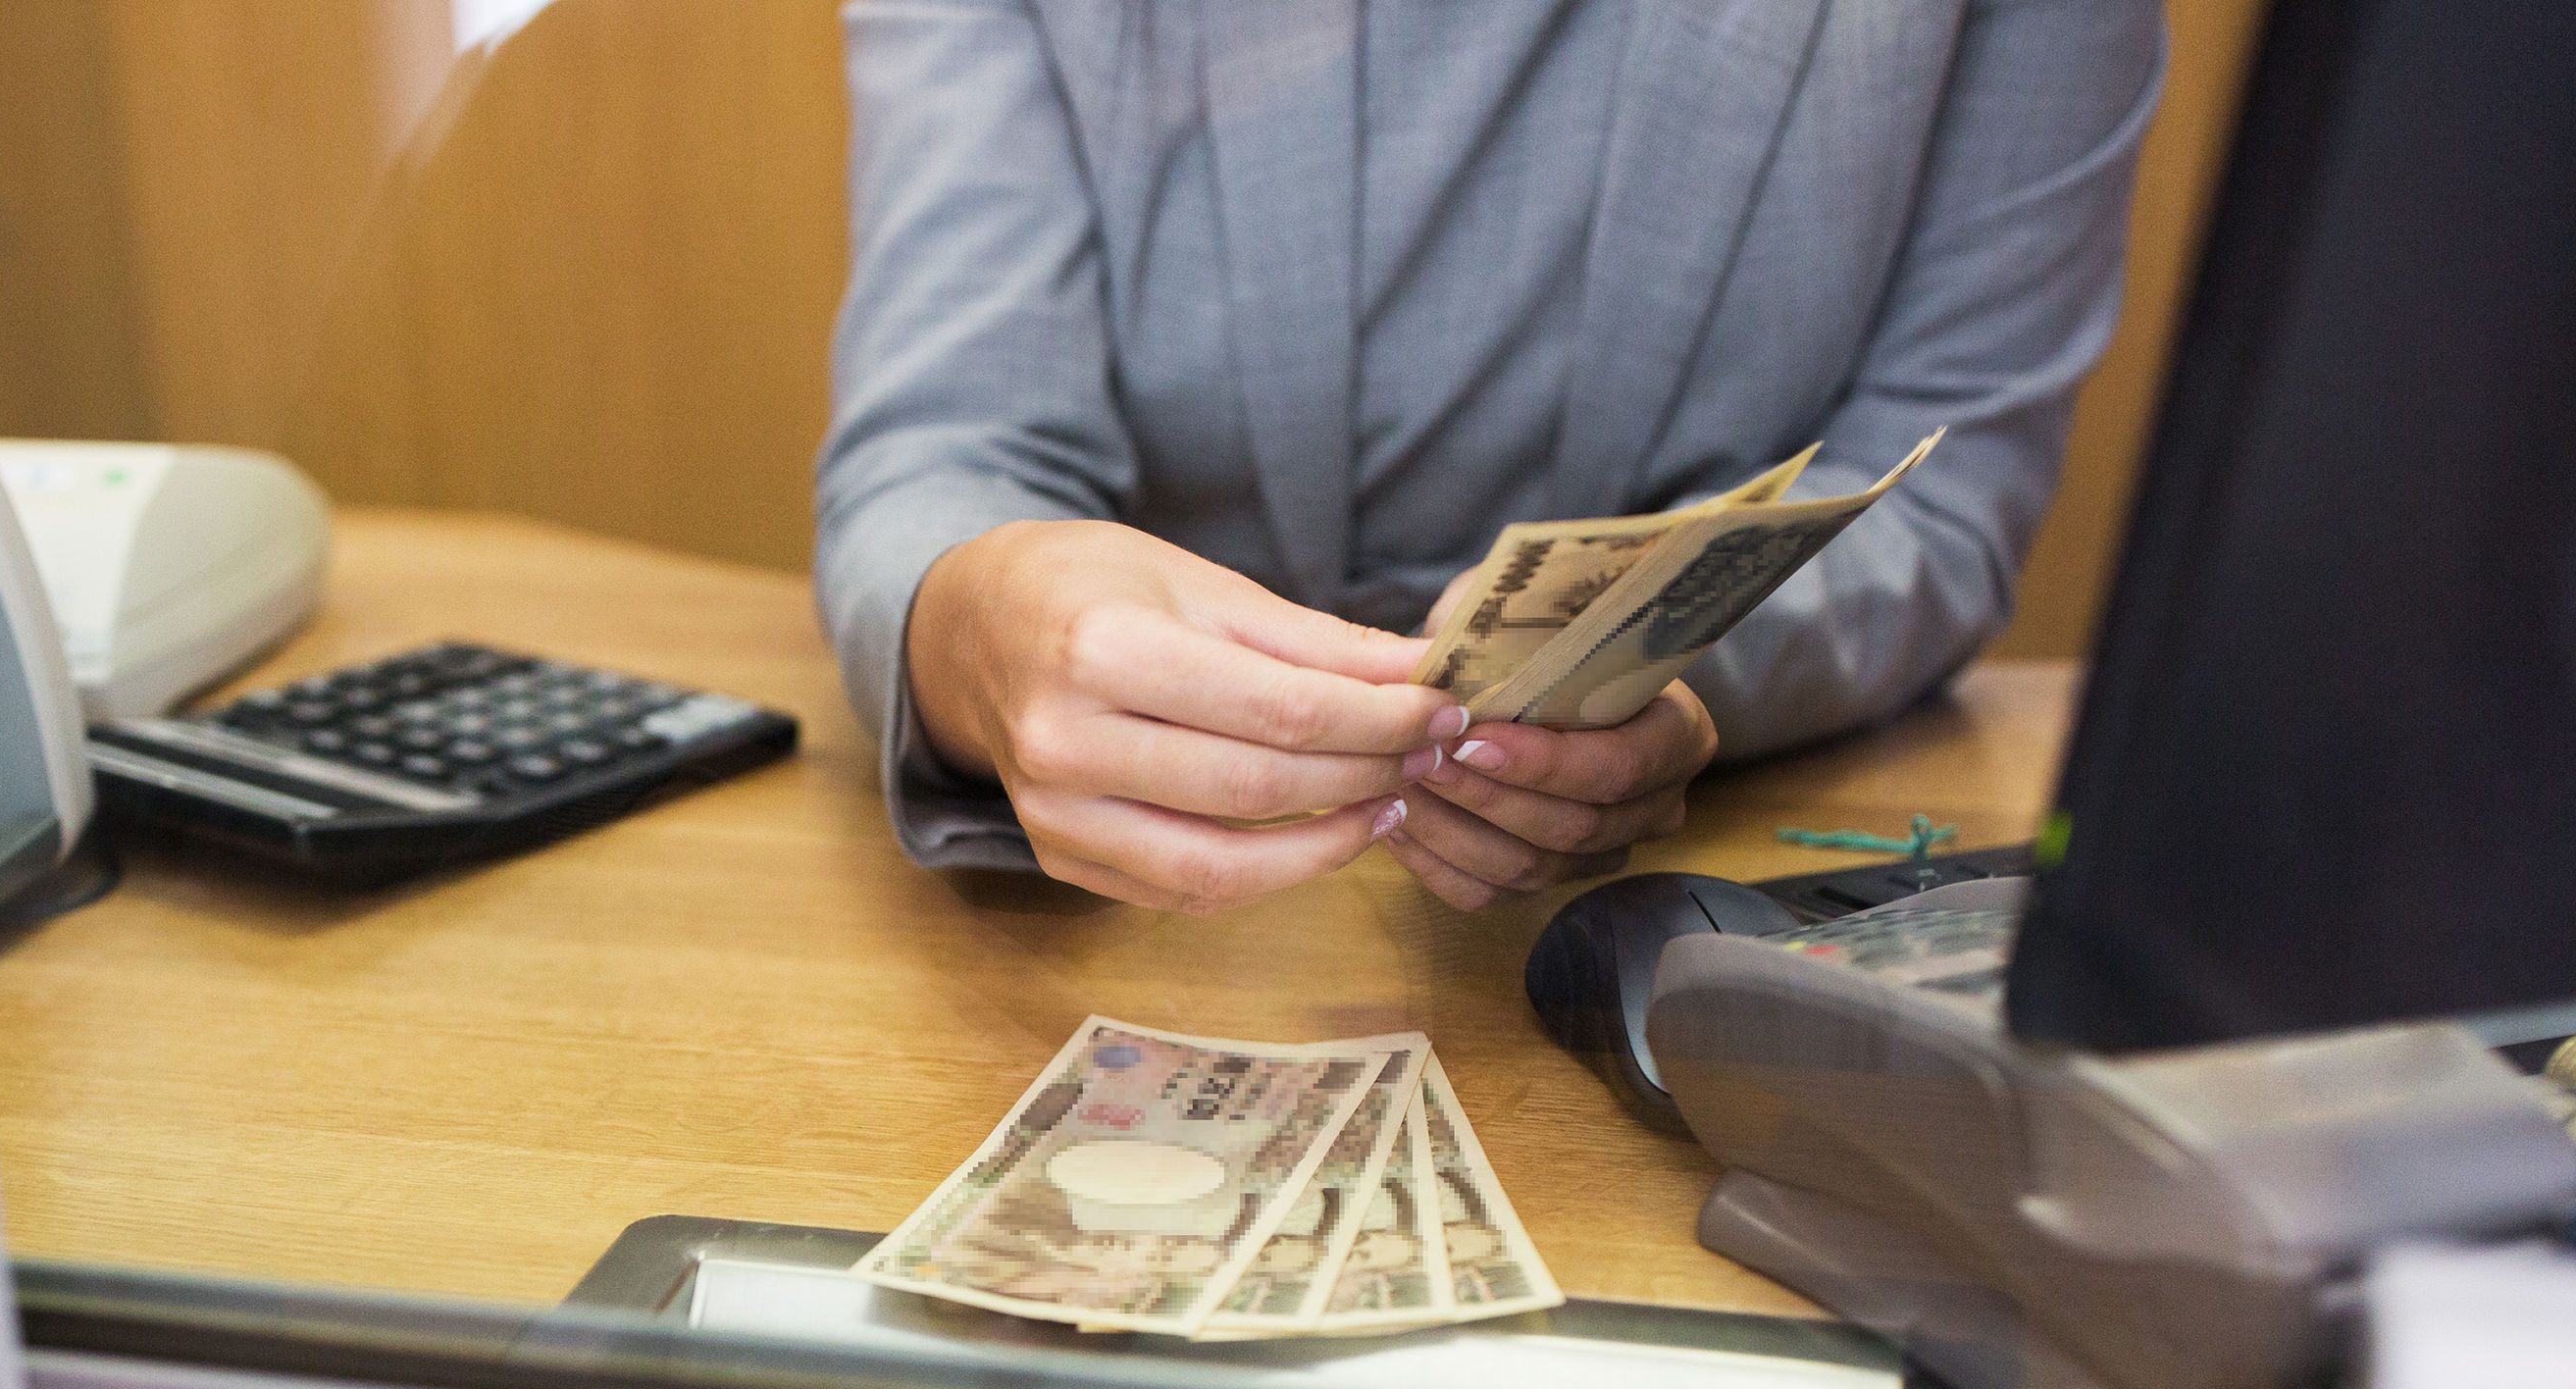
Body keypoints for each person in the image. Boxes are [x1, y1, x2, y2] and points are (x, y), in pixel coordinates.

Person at [814, 1, 2164, 912]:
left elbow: (1942, 491)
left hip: (1690, 899)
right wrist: (981, 632)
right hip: (1131, 923)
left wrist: (1681, 658)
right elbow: (945, 451)